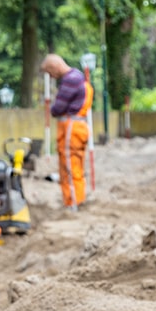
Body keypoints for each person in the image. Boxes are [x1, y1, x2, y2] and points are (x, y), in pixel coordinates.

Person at [40, 53, 94, 210]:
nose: (50, 76)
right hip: (78, 128)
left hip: (72, 129)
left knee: (69, 167)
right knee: (74, 165)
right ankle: (76, 200)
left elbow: (57, 108)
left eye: (50, 72)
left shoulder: (70, 80)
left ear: (54, 67)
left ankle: (73, 203)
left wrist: (53, 107)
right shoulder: (77, 77)